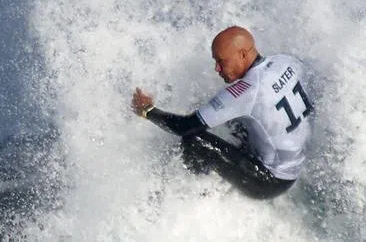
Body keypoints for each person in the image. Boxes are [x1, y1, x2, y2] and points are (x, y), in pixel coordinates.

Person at [131, 26, 314, 199]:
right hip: (296, 159)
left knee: (194, 141)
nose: (216, 68)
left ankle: (194, 194)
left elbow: (185, 127)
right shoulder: (285, 61)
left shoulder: (245, 91)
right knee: (218, 115)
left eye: (221, 61)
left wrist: (147, 110)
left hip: (269, 182)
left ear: (243, 54)